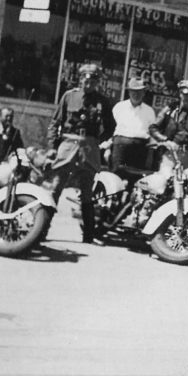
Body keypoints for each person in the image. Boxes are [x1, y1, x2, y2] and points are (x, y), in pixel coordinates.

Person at [48, 63, 115, 243]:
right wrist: (53, 147)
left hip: (89, 148)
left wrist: (96, 142)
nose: (89, 84)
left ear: (97, 82)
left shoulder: (103, 102)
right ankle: (42, 229)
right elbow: (55, 122)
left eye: (93, 81)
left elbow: (110, 127)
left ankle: (88, 236)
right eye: (86, 80)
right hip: (68, 144)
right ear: (80, 79)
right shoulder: (69, 97)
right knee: (56, 187)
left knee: (87, 192)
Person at [149, 79, 188, 172]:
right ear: (180, 94)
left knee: (186, 185)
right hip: (169, 155)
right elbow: (153, 128)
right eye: (184, 94)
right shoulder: (170, 109)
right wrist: (165, 140)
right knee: (164, 181)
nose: (186, 97)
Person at [110, 77, 157, 174]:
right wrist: (107, 148)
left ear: (144, 93)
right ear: (129, 92)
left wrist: (151, 154)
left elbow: (153, 134)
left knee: (135, 180)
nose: (136, 94)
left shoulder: (149, 111)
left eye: (139, 91)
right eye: (133, 91)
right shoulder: (119, 107)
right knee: (116, 177)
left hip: (140, 149)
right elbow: (111, 129)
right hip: (120, 148)